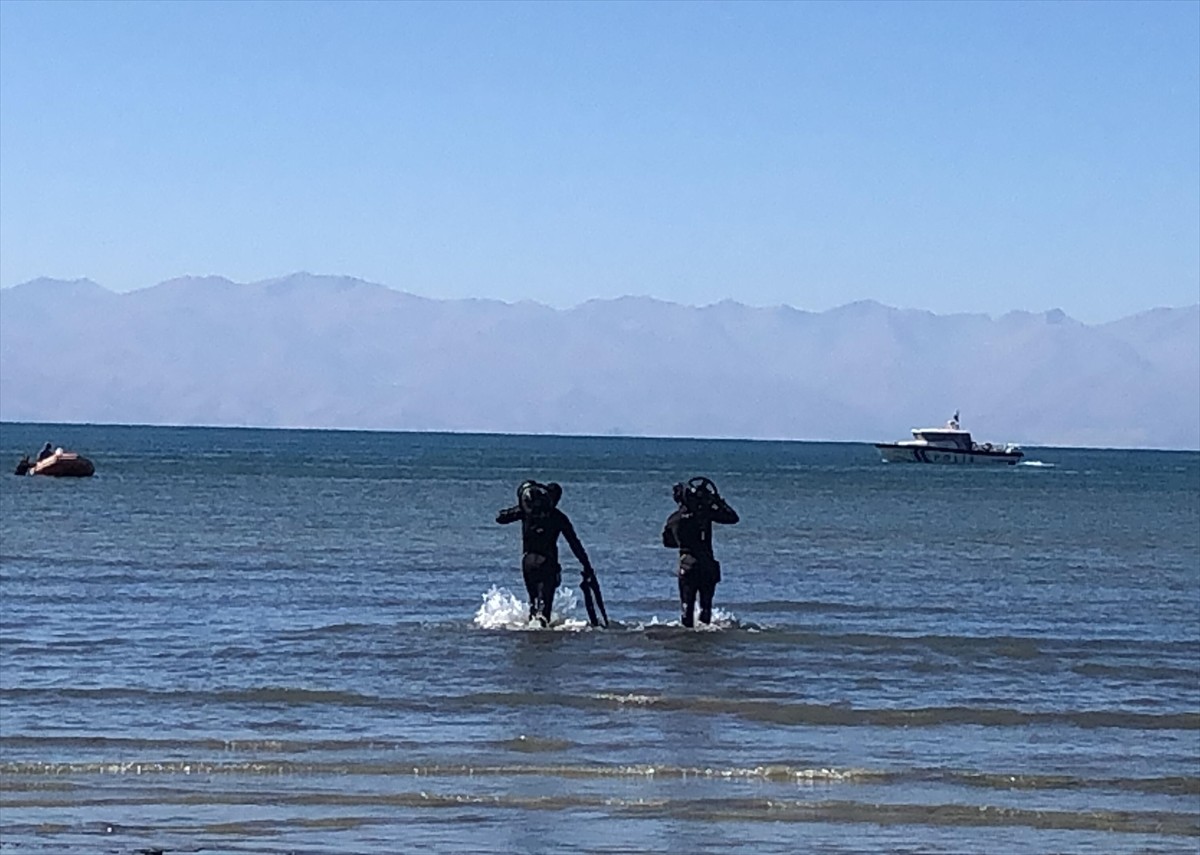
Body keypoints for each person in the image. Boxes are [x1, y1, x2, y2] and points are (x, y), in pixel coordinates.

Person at [496, 480, 596, 626]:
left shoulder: (527, 512)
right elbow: (575, 544)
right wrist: (586, 565)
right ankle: (542, 634)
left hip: (528, 561)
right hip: (547, 562)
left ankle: (531, 633)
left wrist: (520, 507)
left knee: (533, 602)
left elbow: (500, 518)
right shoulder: (559, 517)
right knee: (545, 606)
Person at [662, 476, 739, 627]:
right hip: (707, 565)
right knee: (706, 606)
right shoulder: (705, 514)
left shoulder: (674, 519)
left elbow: (667, 542)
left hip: (688, 566)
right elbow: (732, 517)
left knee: (687, 607)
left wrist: (683, 541)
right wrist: (718, 501)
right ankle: (706, 632)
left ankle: (688, 633)